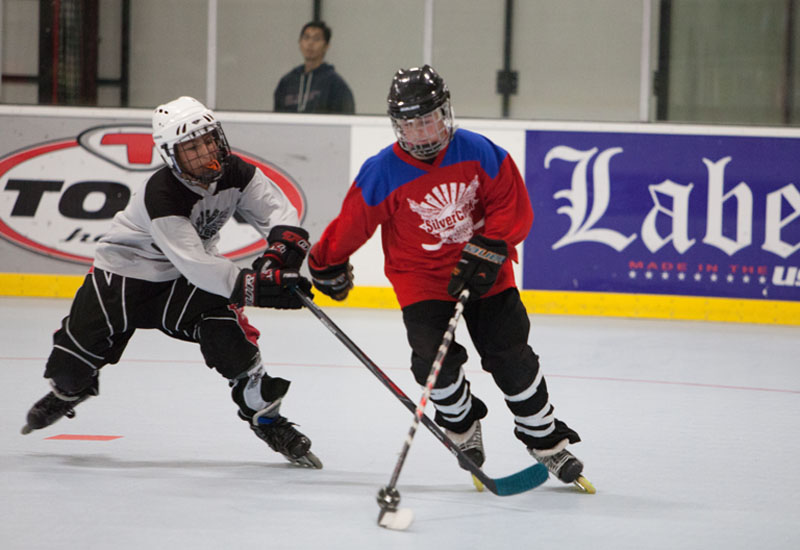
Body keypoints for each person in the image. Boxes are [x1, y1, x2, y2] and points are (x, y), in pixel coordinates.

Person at [306, 66, 589, 488]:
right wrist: (325, 262)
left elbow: (513, 205)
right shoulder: (383, 170)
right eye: (411, 124)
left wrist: (492, 245)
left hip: (487, 274)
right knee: (432, 362)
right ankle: (461, 423)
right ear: (397, 126)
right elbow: (353, 221)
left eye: (429, 119)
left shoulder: (479, 152)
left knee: (512, 356)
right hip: (421, 280)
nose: (422, 133)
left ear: (445, 112)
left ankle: (544, 438)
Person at [21, 96, 322, 469]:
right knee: (69, 369)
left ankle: (266, 417)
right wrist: (258, 287)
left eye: (209, 140)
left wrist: (279, 256)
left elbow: (280, 213)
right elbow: (195, 262)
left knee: (227, 338)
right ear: (170, 155)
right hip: (124, 279)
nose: (206, 153)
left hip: (182, 284)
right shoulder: (162, 194)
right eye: (191, 147)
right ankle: (71, 391)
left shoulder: (238, 173)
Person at [273, 21, 355, 114]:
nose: (310, 43)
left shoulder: (335, 84)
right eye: (306, 38)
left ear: (326, 46)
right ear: (300, 43)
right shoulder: (287, 82)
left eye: (316, 39)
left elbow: (344, 120)